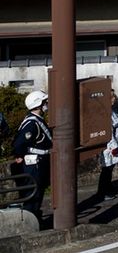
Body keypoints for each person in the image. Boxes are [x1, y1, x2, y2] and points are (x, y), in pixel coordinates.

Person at [13, 90, 51, 220]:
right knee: (33, 193)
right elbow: (19, 143)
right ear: (38, 104)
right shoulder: (32, 123)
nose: (47, 104)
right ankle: (30, 221)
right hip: (34, 164)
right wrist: (19, 155)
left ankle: (35, 218)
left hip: (40, 162)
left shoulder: (37, 120)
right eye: (44, 102)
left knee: (38, 193)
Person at [98, 91, 118, 200]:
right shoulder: (105, 114)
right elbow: (108, 132)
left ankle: (108, 188)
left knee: (109, 169)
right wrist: (114, 147)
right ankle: (103, 191)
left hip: (114, 145)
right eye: (113, 96)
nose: (115, 98)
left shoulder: (110, 112)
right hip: (109, 147)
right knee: (107, 169)